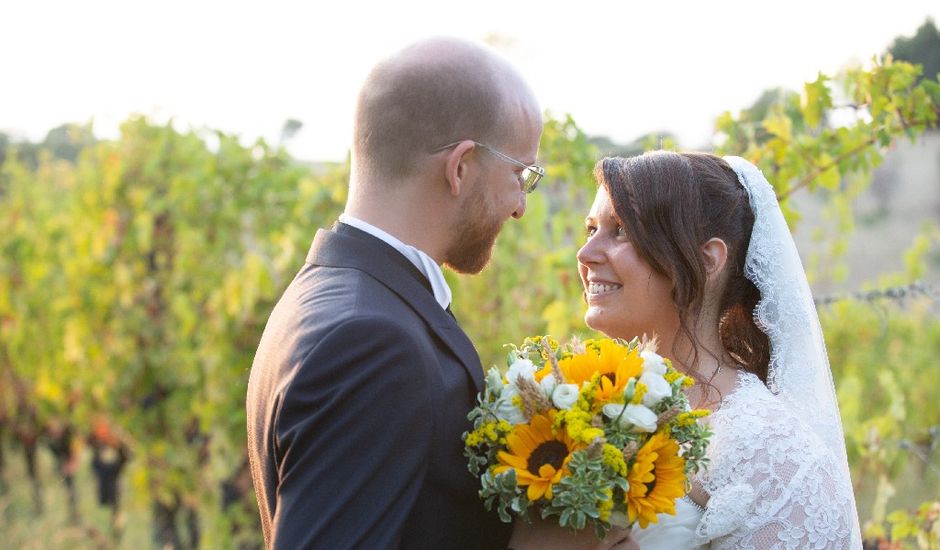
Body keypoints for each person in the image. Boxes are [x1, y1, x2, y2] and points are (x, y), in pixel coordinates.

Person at [246, 37, 635, 550]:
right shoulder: (371, 342)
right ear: (460, 167)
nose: (520, 207)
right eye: (521, 174)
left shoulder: (332, 297)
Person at [576, 151, 862, 548]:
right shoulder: (586, 407)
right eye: (591, 229)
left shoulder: (777, 459)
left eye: (621, 230)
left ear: (707, 260)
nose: (586, 254)